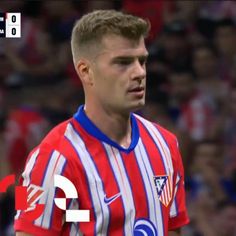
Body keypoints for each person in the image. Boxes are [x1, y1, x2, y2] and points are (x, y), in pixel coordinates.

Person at [14, 10, 189, 236]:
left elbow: (172, 229)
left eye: (142, 61)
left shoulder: (166, 145)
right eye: (123, 63)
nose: (139, 72)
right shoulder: (52, 160)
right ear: (86, 72)